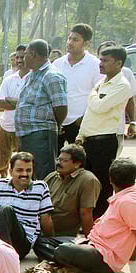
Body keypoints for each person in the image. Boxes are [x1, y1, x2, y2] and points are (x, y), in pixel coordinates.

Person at [30, 158, 136, 273]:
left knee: (63, 250)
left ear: (110, 180)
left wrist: (130, 256)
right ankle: (70, 263)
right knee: (39, 242)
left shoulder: (128, 202)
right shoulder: (123, 197)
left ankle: (69, 263)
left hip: (105, 257)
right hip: (90, 243)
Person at [77, 45, 132, 216]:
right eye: (100, 60)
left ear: (118, 63)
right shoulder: (101, 83)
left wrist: (92, 94)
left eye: (105, 61)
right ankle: (88, 220)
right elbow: (90, 113)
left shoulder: (122, 85)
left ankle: (101, 221)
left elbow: (100, 107)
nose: (101, 64)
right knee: (88, 183)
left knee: (102, 184)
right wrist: (81, 135)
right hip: (89, 140)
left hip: (105, 141)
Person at [16, 39, 68, 180]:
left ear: (32, 54)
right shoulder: (33, 74)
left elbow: (61, 106)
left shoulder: (51, 75)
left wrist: (56, 124)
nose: (22, 58)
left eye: (25, 54)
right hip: (27, 134)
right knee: (27, 175)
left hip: (41, 134)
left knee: (41, 175)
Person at [0, 152, 54, 259]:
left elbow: (46, 219)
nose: (24, 174)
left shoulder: (40, 187)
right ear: (11, 171)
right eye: (20, 170)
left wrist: (50, 241)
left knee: (6, 210)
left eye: (28, 170)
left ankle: (0, 255)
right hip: (1, 235)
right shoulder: (0, 185)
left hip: (23, 242)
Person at [53, 23, 102, 148]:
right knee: (56, 161)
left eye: (75, 40)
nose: (70, 42)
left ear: (86, 43)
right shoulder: (58, 64)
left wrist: (83, 119)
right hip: (57, 122)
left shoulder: (95, 65)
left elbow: (99, 94)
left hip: (80, 123)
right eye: (69, 38)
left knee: (79, 162)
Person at [0, 47, 28, 176]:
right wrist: (20, 102)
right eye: (17, 57)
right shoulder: (9, 79)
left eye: (22, 57)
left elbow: (30, 105)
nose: (19, 60)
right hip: (5, 125)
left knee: (21, 162)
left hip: (23, 127)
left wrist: (12, 101)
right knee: (2, 164)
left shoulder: (34, 79)